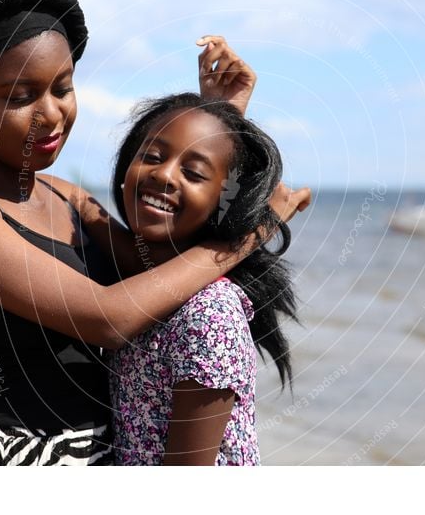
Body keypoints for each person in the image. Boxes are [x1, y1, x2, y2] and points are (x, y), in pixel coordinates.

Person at [0, 0, 311, 465]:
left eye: (63, 88)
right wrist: (257, 229)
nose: (51, 114)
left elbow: (166, 274)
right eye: (21, 97)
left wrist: (221, 123)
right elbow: (106, 318)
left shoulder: (69, 198)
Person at [108, 93, 298, 465]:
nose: (163, 175)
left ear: (223, 203)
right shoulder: (135, 278)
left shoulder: (209, 314)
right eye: (151, 156)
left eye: (193, 173)